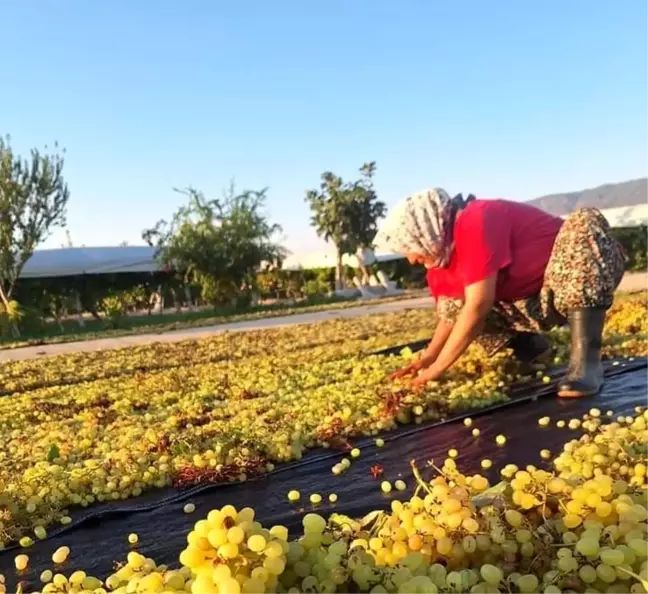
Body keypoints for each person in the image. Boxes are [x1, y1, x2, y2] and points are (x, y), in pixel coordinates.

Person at [377, 189, 626, 398]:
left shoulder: (477, 219)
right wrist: (428, 358)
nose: (410, 259)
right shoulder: (440, 259)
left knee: (583, 222)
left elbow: (478, 305)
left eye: (410, 247)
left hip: (586, 275)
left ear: (426, 230)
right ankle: (533, 348)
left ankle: (587, 364)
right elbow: (449, 315)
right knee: (455, 305)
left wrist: (436, 370)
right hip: (538, 301)